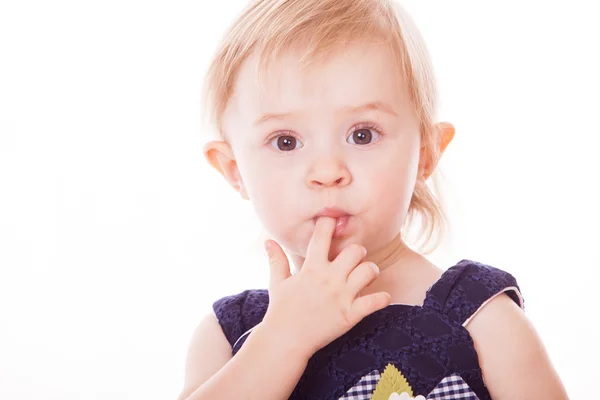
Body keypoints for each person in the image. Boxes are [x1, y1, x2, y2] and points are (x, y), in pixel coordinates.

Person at [178, 0, 567, 399]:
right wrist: (282, 340)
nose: (327, 171)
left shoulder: (479, 317)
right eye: (286, 141)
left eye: (363, 135)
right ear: (234, 169)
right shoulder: (228, 336)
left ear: (426, 154)